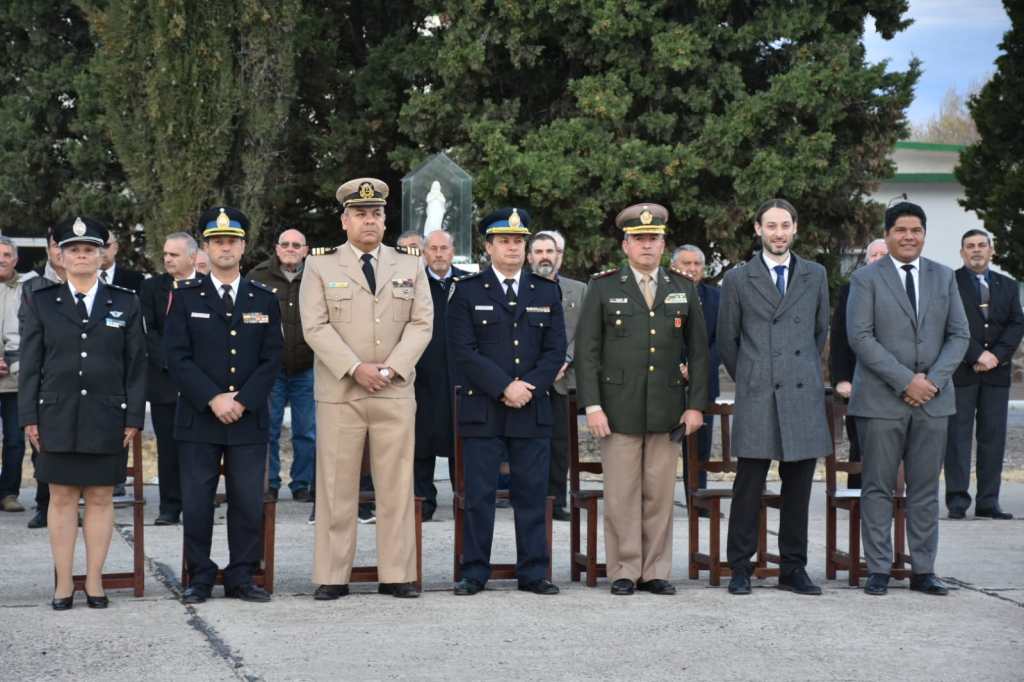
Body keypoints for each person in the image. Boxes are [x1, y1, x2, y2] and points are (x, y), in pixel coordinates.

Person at [300, 177, 432, 600]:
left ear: (384, 218)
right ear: (344, 221)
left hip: (393, 391)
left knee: (395, 487)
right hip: (342, 392)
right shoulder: (320, 265)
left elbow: (421, 323)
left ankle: (397, 574)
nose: (369, 220)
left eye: (375, 213)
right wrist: (355, 367)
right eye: (360, 214)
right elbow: (314, 326)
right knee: (337, 488)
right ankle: (333, 575)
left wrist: (391, 369)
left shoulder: (410, 264)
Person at [576, 203, 708, 596]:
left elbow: (699, 352)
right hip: (617, 409)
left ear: (663, 244)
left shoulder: (682, 288)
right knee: (620, 495)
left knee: (659, 494)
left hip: (667, 408)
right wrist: (593, 405)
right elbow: (587, 352)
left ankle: (655, 570)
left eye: (654, 239)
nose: (647, 246)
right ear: (626, 245)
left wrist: (696, 404)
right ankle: (623, 569)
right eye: (640, 240)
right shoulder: (603, 287)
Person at [18, 216, 146, 609]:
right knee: (60, 496)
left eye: (89, 249)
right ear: (60, 255)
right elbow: (31, 363)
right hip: (55, 415)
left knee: (101, 496)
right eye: (73, 250)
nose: (81, 256)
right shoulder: (41, 301)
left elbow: (136, 364)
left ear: (103, 255)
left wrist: (134, 418)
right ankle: (62, 583)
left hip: (107, 416)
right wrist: (28, 417)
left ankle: (94, 581)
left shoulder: (125, 301)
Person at [847, 200, 969, 597]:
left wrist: (930, 382)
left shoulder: (944, 277)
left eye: (916, 230)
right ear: (887, 234)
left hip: (933, 401)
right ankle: (879, 569)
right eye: (901, 230)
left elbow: (959, 335)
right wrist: (905, 382)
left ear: (924, 234)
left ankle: (924, 570)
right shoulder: (866, 279)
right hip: (882, 401)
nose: (908, 237)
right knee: (878, 487)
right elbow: (860, 337)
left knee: (923, 489)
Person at [164, 207, 283, 604]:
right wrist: (213, 398)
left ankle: (242, 576)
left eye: (232, 240)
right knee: (197, 502)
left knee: (248, 502)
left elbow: (272, 358)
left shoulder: (263, 298)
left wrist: (243, 400)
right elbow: (176, 357)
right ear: (207, 248)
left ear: (244, 246)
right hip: (200, 417)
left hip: (248, 418)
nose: (225, 247)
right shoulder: (185, 297)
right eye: (217, 241)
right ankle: (199, 575)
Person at [448, 207, 566, 596]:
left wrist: (527, 386)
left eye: (519, 241)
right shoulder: (466, 291)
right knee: (479, 496)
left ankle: (534, 572)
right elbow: (462, 351)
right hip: (483, 408)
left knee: (532, 494)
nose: (513, 247)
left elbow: (555, 351)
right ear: (488, 247)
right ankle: (474, 571)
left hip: (532, 408)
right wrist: (503, 387)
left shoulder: (546, 291)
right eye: (504, 241)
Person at [718, 198, 831, 597]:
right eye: (771, 226)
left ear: (795, 229)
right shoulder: (737, 279)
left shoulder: (815, 275)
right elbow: (728, 341)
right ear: (757, 229)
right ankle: (741, 567)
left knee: (798, 487)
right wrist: (753, 375)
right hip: (758, 392)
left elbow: (820, 332)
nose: (778, 233)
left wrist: (795, 371)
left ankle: (793, 568)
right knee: (749, 484)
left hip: (801, 393)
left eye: (785, 225)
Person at [944, 229, 1024, 519]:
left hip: (996, 375)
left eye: (981, 245)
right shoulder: (949, 283)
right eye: (970, 246)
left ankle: (989, 501)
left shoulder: (1008, 285)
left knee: (993, 439)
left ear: (991, 250)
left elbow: (1017, 323)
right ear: (962, 253)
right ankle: (957, 501)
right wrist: (977, 354)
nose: (976, 250)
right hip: (962, 371)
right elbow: (949, 323)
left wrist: (996, 357)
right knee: (957, 438)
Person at [249, 228, 316, 503]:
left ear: (305, 250)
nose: (290, 249)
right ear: (277, 249)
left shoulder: (317, 276)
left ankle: (303, 483)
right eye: (285, 244)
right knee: (269, 428)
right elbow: (249, 320)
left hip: (308, 365)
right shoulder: (258, 276)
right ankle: (270, 482)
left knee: (307, 431)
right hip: (271, 369)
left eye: (296, 245)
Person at [139, 232, 199, 525]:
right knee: (168, 446)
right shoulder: (151, 288)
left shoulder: (204, 287)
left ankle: (198, 502)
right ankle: (170, 505)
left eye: (174, 254)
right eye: (165, 254)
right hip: (164, 380)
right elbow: (147, 330)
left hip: (199, 382)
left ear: (192, 257)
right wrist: (171, 361)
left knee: (198, 446)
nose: (167, 259)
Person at [527, 230, 585, 522]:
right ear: (530, 258)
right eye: (538, 252)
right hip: (528, 380)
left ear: (559, 256)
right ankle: (528, 499)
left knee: (560, 445)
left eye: (550, 252)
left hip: (563, 380)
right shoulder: (521, 287)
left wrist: (565, 358)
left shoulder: (579, 290)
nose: (545, 257)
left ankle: (556, 501)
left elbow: (586, 331)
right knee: (527, 444)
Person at [412, 229, 467, 521]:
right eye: (432, 248)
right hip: (424, 377)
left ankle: (464, 500)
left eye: (443, 248)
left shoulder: (467, 284)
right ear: (424, 252)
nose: (438, 254)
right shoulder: (414, 284)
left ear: (452, 250)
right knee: (422, 443)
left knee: (462, 440)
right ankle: (423, 502)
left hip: (460, 377)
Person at [830, 238, 888, 489]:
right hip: (859, 378)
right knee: (860, 441)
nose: (878, 259)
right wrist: (842, 378)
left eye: (883, 254)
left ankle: (895, 494)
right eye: (873, 255)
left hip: (897, 380)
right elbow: (840, 336)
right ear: (866, 260)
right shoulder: (852, 288)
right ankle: (857, 494)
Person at [22, 227, 66, 528]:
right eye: (56, 246)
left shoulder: (98, 285)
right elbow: (28, 333)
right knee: (44, 451)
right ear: (50, 250)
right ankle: (44, 504)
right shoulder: (33, 286)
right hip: (47, 379)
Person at [671, 244, 720, 495]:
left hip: (704, 384)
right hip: (667, 382)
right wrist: (679, 366)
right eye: (686, 263)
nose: (692, 269)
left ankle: (697, 499)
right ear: (673, 267)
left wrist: (697, 368)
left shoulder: (716, 297)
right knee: (664, 447)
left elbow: (720, 340)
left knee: (700, 447)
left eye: (696, 264)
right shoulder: (662, 292)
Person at [0, 237, 25, 512]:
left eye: (7, 254)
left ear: (15, 260)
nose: (2, 259)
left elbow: (31, 329)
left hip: (16, 377)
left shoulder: (26, 290)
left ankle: (8, 493)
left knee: (15, 441)